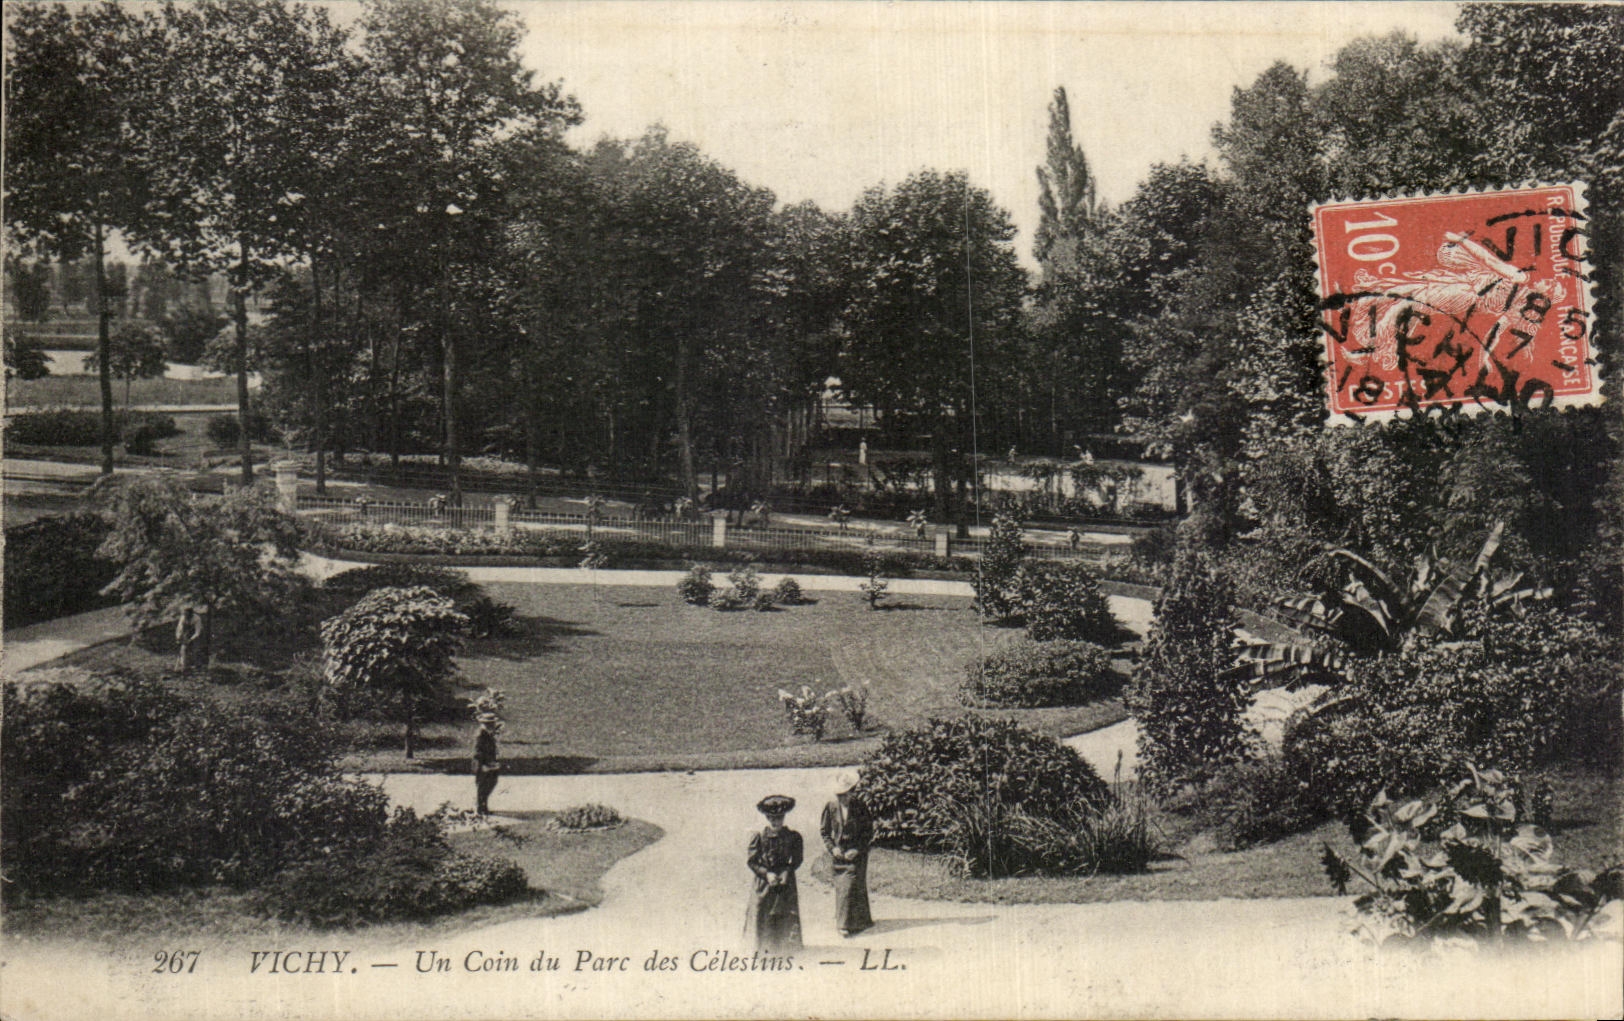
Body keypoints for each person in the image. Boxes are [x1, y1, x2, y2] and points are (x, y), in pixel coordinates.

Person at [745, 795, 803, 952]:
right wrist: (766, 874)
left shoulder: (793, 837)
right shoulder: (759, 837)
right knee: (762, 910)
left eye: (779, 818)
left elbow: (797, 859)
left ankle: (786, 947)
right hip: (764, 882)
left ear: (784, 817)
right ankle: (763, 947)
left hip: (785, 882)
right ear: (767, 818)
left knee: (785, 912)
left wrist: (787, 871)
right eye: (771, 818)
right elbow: (752, 861)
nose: (775, 822)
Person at [821, 770, 874, 938]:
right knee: (843, 887)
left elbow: (868, 832)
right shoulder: (831, 807)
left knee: (855, 884)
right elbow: (825, 832)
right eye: (839, 795)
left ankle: (855, 922)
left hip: (856, 853)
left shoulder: (860, 807)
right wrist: (833, 848)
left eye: (845, 794)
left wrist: (857, 849)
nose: (842, 798)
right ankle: (846, 922)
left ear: (852, 792)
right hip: (839, 855)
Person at [472, 714, 501, 816]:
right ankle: (480, 808)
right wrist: (482, 764)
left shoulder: (488, 733)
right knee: (483, 786)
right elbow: (477, 751)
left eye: (492, 723)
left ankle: (483, 807)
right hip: (482, 764)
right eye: (489, 723)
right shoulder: (481, 734)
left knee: (491, 783)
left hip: (490, 763)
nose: (492, 725)